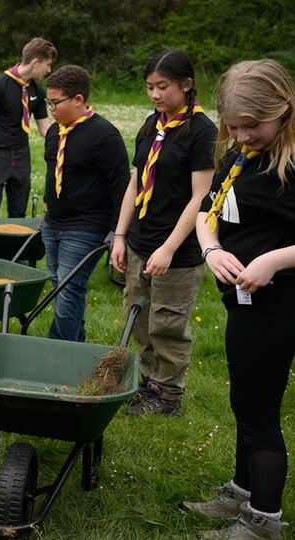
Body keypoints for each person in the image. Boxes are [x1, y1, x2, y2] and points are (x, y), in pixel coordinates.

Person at [184, 59, 295, 540]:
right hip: (243, 305)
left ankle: (263, 521)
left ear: (285, 110)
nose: (243, 134)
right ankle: (241, 492)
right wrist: (211, 249)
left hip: (281, 306)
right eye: (234, 126)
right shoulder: (240, 155)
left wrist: (273, 260)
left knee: (258, 412)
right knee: (247, 401)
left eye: (253, 126)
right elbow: (206, 212)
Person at [111, 50, 217, 417]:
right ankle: (148, 383)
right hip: (140, 241)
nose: (155, 95)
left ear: (186, 85)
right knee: (140, 318)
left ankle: (168, 396)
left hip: (178, 250)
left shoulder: (202, 132)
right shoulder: (151, 124)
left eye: (163, 87)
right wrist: (121, 236)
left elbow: (201, 198)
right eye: (149, 87)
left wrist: (169, 247)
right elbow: (135, 182)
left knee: (168, 324)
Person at [41, 65, 129, 342]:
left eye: (56, 102)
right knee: (58, 283)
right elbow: (52, 171)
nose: (51, 109)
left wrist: (117, 232)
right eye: (49, 102)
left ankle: (58, 347)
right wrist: (46, 208)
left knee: (69, 287)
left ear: (78, 100)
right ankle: (75, 341)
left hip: (86, 225)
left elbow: (121, 185)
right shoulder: (56, 132)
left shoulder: (104, 136)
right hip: (53, 223)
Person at [0, 38, 56, 218]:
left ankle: (14, 246)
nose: (49, 70)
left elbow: (44, 126)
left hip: (21, 154)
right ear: (35, 63)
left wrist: (61, 141)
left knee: (18, 210)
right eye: (47, 65)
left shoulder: (37, 91)